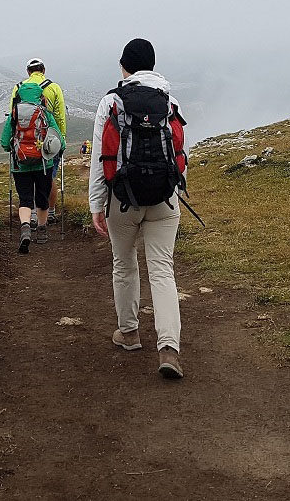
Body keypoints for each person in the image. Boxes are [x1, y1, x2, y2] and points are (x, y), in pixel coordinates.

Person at [89, 38, 189, 379]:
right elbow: (177, 153)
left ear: (125, 66)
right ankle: (169, 348)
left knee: (124, 263)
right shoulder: (169, 100)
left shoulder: (111, 102)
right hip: (164, 199)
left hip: (124, 200)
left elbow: (99, 159)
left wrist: (96, 204)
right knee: (162, 270)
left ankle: (129, 333)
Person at [1, 58, 67, 253]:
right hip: (43, 159)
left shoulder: (17, 93)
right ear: (43, 70)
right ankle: (43, 229)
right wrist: (59, 144)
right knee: (43, 193)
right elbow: (60, 120)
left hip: (20, 162)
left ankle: (25, 227)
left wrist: (11, 148)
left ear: (28, 71)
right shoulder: (49, 99)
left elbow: (6, 140)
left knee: (25, 198)